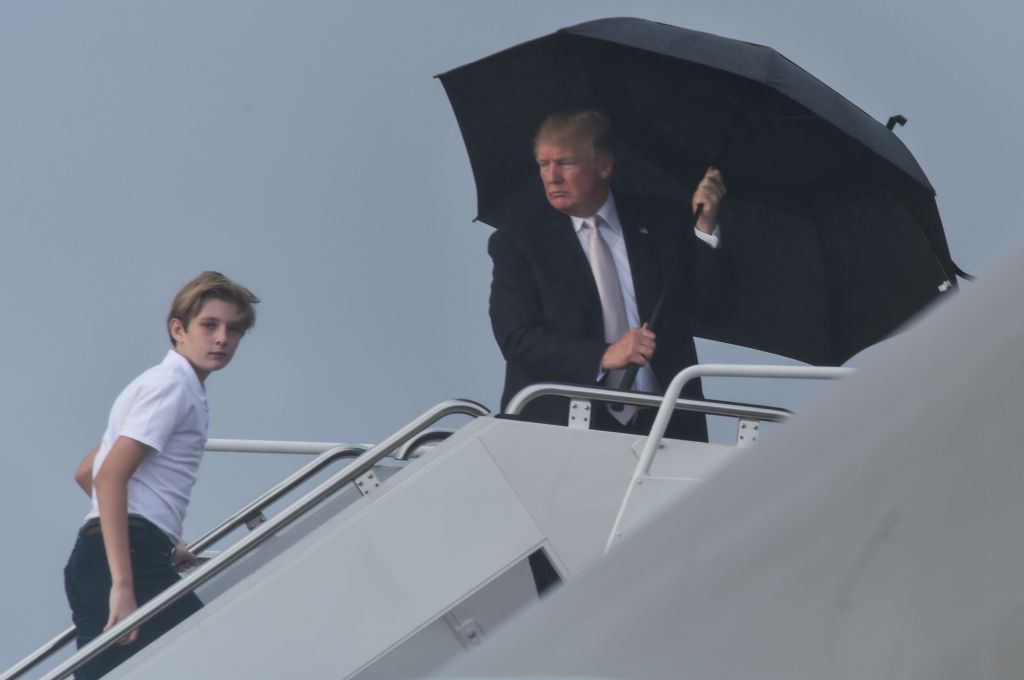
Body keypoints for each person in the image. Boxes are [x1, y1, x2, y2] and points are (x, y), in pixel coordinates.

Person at [488, 110, 730, 441]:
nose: (552, 176)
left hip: (666, 430)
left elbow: (708, 308)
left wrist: (705, 228)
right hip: (562, 431)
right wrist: (603, 356)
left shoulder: (662, 223)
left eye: (566, 162)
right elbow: (517, 338)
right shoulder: (519, 241)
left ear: (604, 165)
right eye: (544, 164)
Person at [63, 271, 259, 679]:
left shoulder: (166, 383)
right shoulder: (173, 386)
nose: (222, 338)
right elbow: (107, 477)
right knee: (214, 656)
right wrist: (124, 583)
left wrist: (163, 533)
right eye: (210, 325)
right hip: (126, 559)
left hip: (110, 555)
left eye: (234, 330)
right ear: (178, 328)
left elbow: (87, 471)